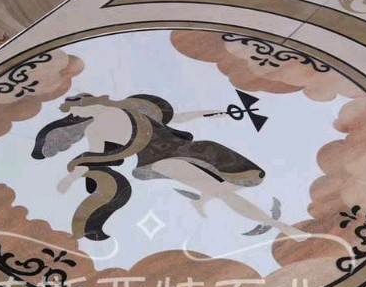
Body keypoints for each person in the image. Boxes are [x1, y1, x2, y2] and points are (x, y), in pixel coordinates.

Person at [32, 93, 304, 242]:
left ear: (92, 104)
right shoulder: (97, 131)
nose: (75, 116)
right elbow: (95, 157)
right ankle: (278, 225)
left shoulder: (133, 108)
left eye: (76, 110)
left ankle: (207, 200)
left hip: (187, 147)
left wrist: (215, 112)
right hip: (161, 161)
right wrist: (72, 177)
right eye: (73, 114)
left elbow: (179, 118)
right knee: (222, 191)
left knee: (233, 176)